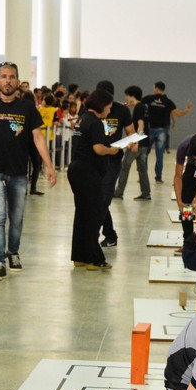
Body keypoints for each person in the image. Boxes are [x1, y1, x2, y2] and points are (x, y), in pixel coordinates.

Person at [0, 62, 56, 281]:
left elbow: (37, 137)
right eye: (3, 76)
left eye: (12, 77)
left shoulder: (26, 108)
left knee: (16, 218)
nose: (7, 81)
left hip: (18, 171)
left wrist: (49, 165)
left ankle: (13, 252)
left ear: (17, 81)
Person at [66, 88, 121, 270]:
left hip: (77, 170)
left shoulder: (82, 119)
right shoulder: (96, 122)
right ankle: (94, 259)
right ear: (101, 105)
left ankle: (80, 256)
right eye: (108, 106)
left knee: (82, 214)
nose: (109, 110)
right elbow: (98, 149)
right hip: (87, 172)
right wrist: (111, 150)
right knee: (93, 215)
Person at [95, 80, 134, 248]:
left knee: (104, 199)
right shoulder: (91, 109)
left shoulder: (122, 110)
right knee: (96, 198)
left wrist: (131, 142)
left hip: (113, 160)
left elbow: (130, 132)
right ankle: (110, 234)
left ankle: (101, 234)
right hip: (94, 160)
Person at [142, 81, 192, 183]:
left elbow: (136, 104)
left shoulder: (148, 99)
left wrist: (124, 105)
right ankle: (158, 178)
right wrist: (188, 110)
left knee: (144, 153)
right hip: (162, 131)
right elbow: (178, 114)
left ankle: (143, 176)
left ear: (156, 88)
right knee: (159, 155)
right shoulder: (168, 102)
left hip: (150, 129)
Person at [114, 85, 151, 201]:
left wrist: (136, 142)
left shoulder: (138, 108)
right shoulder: (143, 106)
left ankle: (118, 192)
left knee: (125, 166)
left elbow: (141, 125)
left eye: (127, 96)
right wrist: (126, 105)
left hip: (138, 143)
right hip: (145, 143)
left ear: (132, 96)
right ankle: (146, 193)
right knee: (142, 169)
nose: (126, 98)